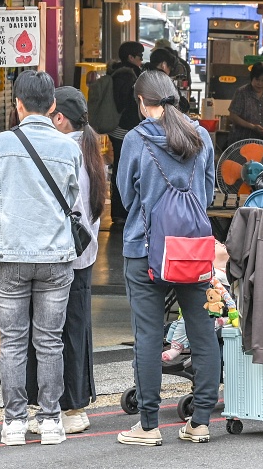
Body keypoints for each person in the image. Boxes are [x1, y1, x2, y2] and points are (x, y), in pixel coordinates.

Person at [0, 71, 82, 447]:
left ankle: (14, 423)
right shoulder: (70, 148)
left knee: (13, 343)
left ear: (18, 104)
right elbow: (74, 203)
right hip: (54, 256)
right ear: (53, 106)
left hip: (7, 255)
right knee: (50, 341)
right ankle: (51, 421)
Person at [115, 70, 220, 446]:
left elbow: (127, 198)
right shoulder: (200, 136)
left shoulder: (135, 139)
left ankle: (147, 425)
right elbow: (206, 195)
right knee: (202, 330)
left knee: (149, 335)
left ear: (141, 101)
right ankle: (201, 421)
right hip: (192, 251)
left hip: (145, 251)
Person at [26, 87, 105, 435]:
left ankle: (70, 407)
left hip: (63, 255)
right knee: (76, 328)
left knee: (55, 331)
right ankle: (74, 404)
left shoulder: (64, 150)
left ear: (59, 117)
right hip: (83, 254)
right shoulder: (88, 148)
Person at [109, 41, 144, 224]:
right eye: (140, 56)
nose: (141, 60)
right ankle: (121, 212)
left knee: (121, 169)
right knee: (124, 170)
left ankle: (120, 211)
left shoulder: (116, 72)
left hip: (118, 129)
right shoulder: (128, 75)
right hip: (124, 129)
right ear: (131, 57)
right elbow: (124, 103)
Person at [228, 62, 263, 142]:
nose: (259, 83)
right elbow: (233, 116)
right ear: (252, 78)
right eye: (257, 79)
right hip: (241, 142)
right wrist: (252, 127)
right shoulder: (241, 93)